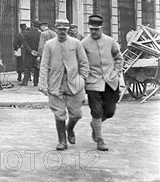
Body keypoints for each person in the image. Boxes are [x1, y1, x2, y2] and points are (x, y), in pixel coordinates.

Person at [38, 19, 90, 150]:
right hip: (56, 82)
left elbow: (84, 63)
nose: (62, 32)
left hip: (74, 82)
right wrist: (43, 84)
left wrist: (82, 78)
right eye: (60, 29)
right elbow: (44, 65)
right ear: (55, 29)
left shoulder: (76, 43)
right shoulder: (49, 44)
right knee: (59, 113)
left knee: (77, 114)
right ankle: (62, 140)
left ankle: (70, 129)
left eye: (65, 29)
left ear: (68, 30)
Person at [81, 14, 123, 151]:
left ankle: (95, 125)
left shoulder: (110, 41)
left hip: (110, 82)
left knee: (110, 112)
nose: (93, 32)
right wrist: (84, 78)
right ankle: (99, 139)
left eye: (96, 29)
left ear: (101, 28)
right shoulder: (84, 44)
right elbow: (81, 63)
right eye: (91, 29)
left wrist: (116, 72)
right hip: (93, 82)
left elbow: (118, 58)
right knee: (97, 111)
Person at [20, 21, 41, 86]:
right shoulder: (40, 34)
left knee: (27, 68)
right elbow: (41, 44)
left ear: (32, 25)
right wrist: (37, 52)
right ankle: (35, 83)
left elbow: (25, 44)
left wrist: (30, 51)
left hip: (29, 53)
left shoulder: (27, 33)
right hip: (37, 53)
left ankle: (25, 81)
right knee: (36, 69)